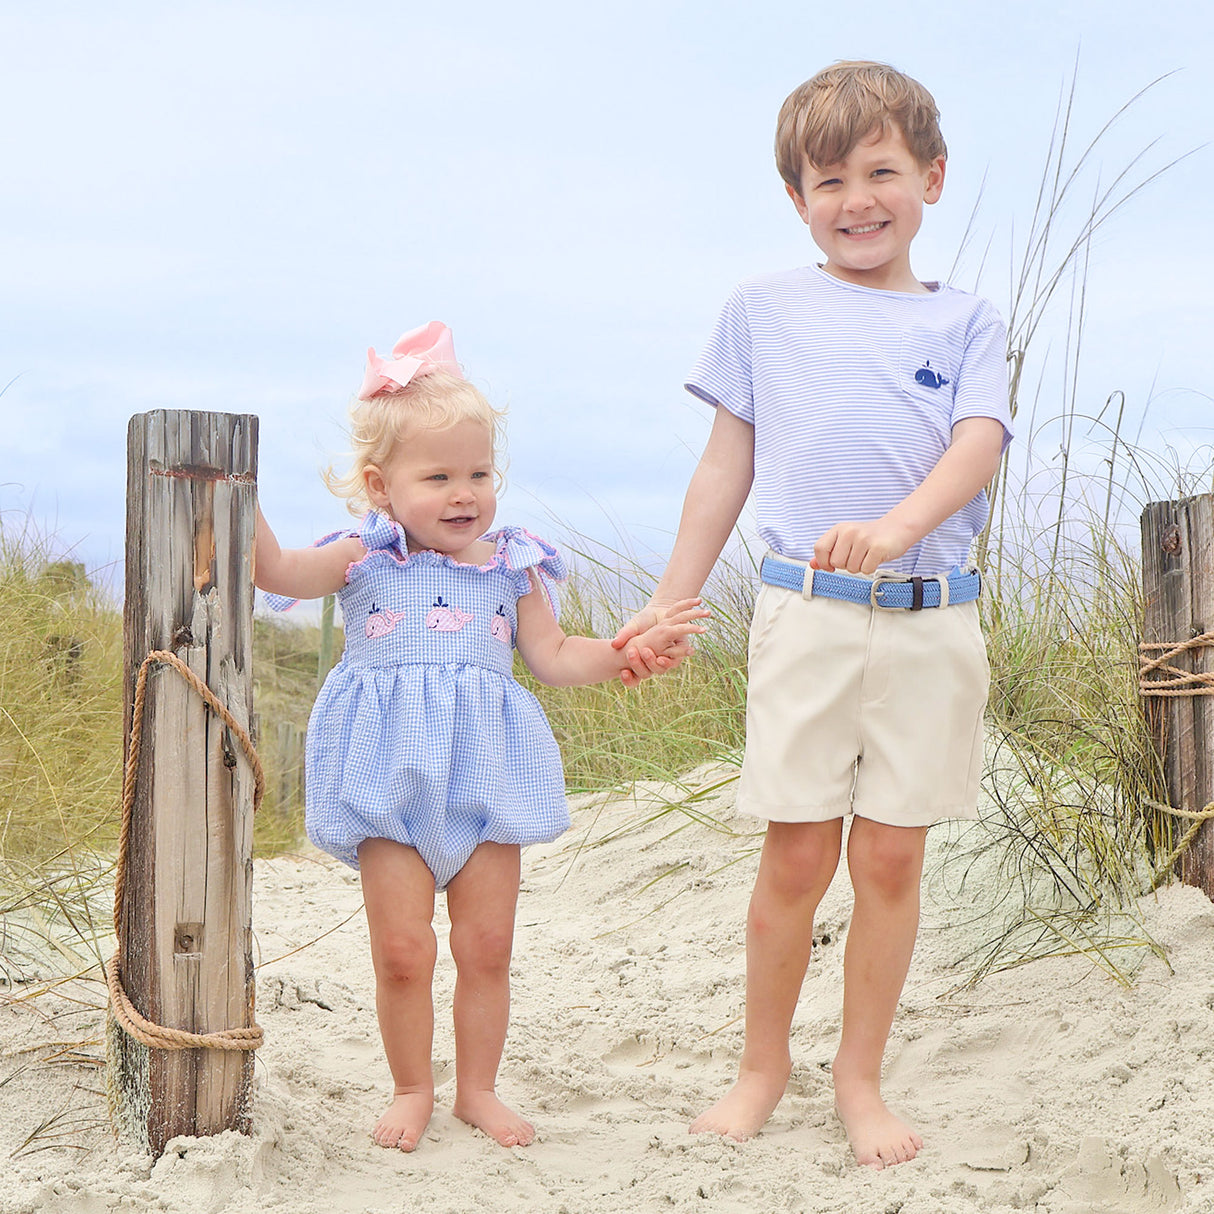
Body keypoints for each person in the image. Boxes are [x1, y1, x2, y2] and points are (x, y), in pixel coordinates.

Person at [613, 61, 1013, 1169]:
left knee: (888, 860)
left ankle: (858, 1073)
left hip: (931, 618)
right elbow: (722, 465)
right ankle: (761, 1064)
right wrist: (668, 598)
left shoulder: (969, 320)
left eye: (880, 171)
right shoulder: (762, 309)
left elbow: (974, 445)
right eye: (826, 178)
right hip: (807, 617)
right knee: (795, 856)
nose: (856, 199)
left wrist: (893, 527)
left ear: (930, 177)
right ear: (796, 196)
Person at [255, 321, 707, 1152]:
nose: (465, 493)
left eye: (479, 473)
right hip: (389, 778)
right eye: (439, 477)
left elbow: (557, 657)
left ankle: (477, 1088)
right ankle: (412, 1086)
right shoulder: (364, 555)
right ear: (379, 485)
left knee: (487, 944)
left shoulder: (512, 565)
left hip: (488, 776)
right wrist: (233, 489)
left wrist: (624, 651)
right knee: (401, 950)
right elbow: (277, 574)